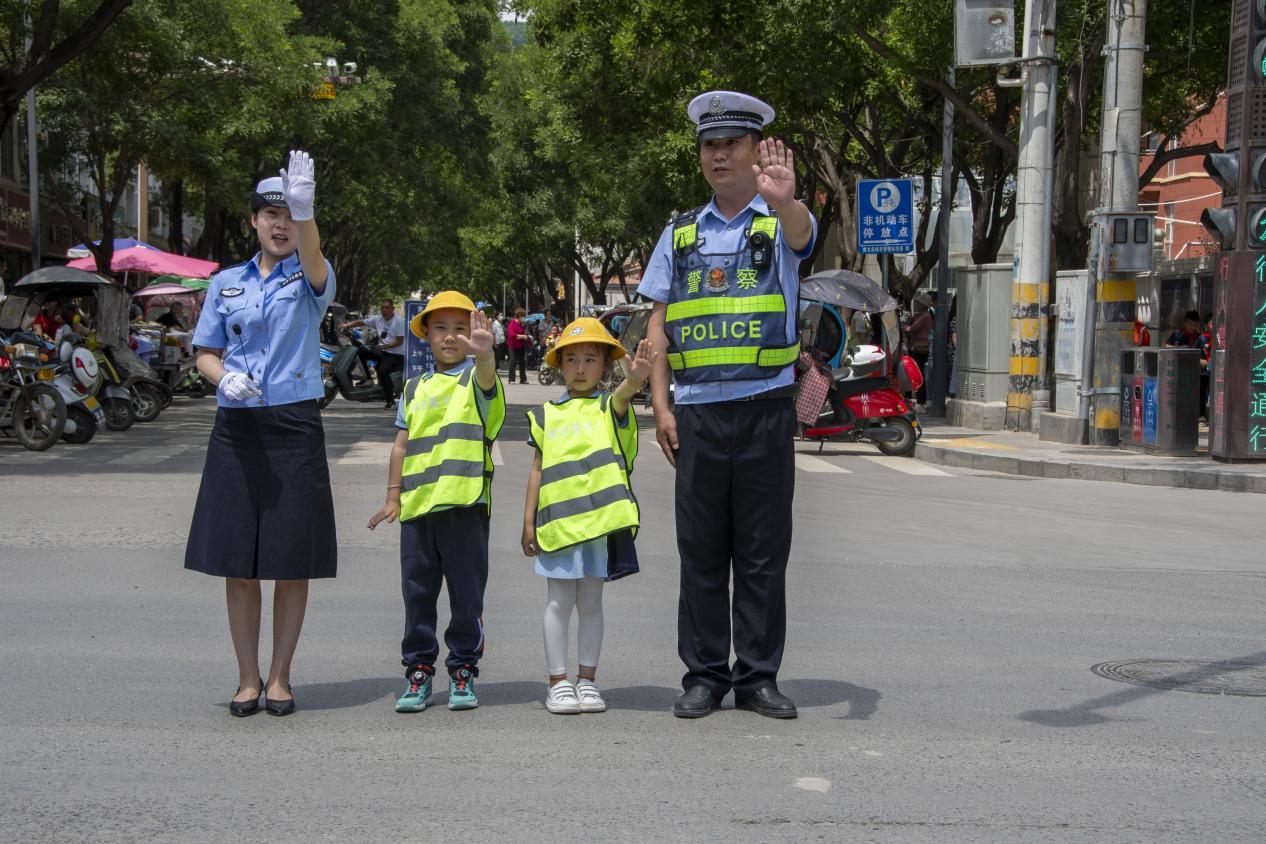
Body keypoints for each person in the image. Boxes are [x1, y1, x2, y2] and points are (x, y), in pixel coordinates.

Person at [643, 90, 816, 720]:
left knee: (764, 551)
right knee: (702, 552)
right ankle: (705, 675)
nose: (720, 155)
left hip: (766, 406)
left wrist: (786, 199)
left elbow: (802, 233)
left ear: (753, 152)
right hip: (697, 414)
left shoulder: (780, 221)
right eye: (710, 145)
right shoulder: (679, 233)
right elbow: (659, 325)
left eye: (733, 144)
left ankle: (759, 676)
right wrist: (661, 408)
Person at [185, 152, 337, 718]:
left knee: (291, 559)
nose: (280, 224)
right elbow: (204, 351)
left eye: (289, 215)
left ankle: (280, 678)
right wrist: (225, 377)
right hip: (237, 426)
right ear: (253, 221)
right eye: (271, 214)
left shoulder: (311, 275)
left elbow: (316, 259)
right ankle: (247, 679)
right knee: (239, 562)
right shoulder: (225, 282)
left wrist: (308, 212)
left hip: (295, 425)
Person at [366, 291, 504, 713]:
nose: (450, 337)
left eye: (460, 329)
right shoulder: (414, 387)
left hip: (464, 506)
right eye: (440, 329)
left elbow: (487, 381)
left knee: (467, 598)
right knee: (418, 595)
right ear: (425, 336)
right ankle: (419, 672)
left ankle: (463, 670)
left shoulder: (479, 379)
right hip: (419, 509)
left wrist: (484, 357)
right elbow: (401, 445)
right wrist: (393, 496)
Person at [521, 319, 655, 714]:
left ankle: (587, 680)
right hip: (558, 526)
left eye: (590, 359)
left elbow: (623, 397)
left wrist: (636, 381)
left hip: (597, 527)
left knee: (592, 604)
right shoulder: (546, 414)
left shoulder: (608, 406)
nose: (580, 367)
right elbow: (537, 470)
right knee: (558, 603)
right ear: (560, 365)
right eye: (572, 359)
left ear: (605, 367)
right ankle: (558, 681)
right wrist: (528, 521)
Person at [341, 298, 406, 408]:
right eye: (382, 308)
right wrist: (347, 326)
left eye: (387, 308)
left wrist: (384, 346)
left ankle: (390, 399)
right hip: (383, 351)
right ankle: (368, 379)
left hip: (396, 355)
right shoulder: (378, 319)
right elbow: (361, 322)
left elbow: (399, 341)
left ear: (392, 309)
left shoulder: (399, 321)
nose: (384, 310)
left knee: (383, 370)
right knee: (360, 350)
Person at [904, 294, 932, 405]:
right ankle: (919, 398)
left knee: (919, 374)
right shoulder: (921, 316)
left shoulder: (925, 317)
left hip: (919, 349)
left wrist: (903, 326)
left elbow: (911, 328)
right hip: (916, 347)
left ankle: (921, 401)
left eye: (918, 302)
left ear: (924, 305)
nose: (916, 304)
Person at [506, 307, 529, 383]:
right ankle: (511, 379)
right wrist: (522, 336)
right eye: (523, 316)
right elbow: (511, 335)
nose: (524, 318)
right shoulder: (512, 324)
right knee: (513, 362)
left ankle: (523, 379)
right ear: (519, 315)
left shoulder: (521, 324)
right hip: (513, 346)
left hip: (521, 346)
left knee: (522, 362)